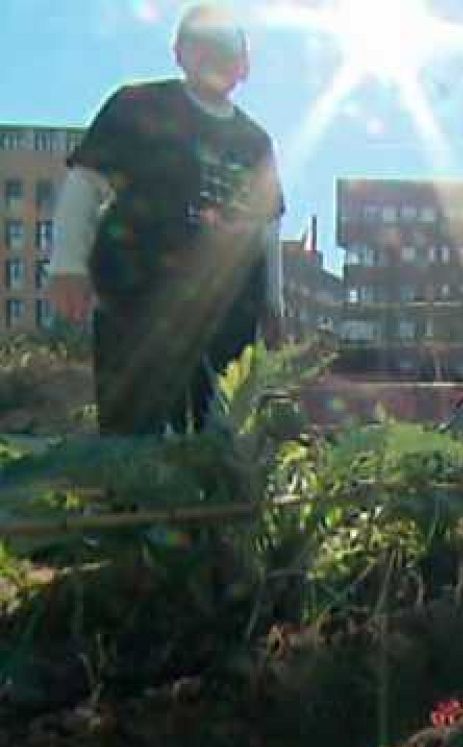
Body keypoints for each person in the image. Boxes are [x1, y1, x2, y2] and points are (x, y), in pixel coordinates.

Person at [48, 4, 285, 436]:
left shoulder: (256, 142)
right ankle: (135, 502)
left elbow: (266, 228)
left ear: (245, 66)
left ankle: (219, 504)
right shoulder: (138, 106)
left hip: (228, 314)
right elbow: (85, 182)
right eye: (203, 43)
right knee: (137, 430)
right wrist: (68, 266)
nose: (216, 56)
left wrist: (274, 304)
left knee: (223, 434)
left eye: (227, 47)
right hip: (138, 301)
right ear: (179, 52)